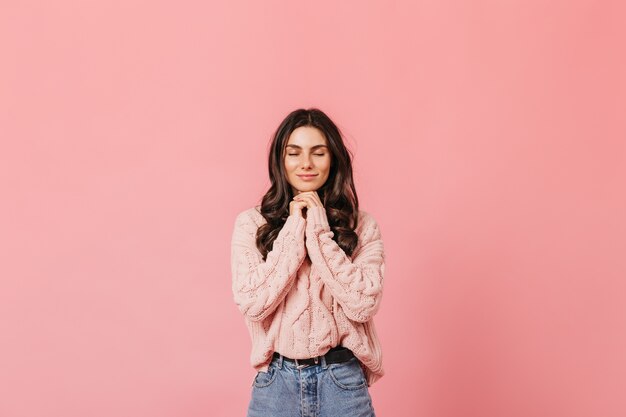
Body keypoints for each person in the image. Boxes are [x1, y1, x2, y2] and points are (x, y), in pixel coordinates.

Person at [230, 108, 385, 417]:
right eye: (294, 153)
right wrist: (294, 227)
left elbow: (364, 303)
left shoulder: (361, 226)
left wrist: (318, 228)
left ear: (334, 159)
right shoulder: (251, 224)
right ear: (280, 159)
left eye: (318, 153)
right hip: (276, 384)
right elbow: (252, 302)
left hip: (342, 382)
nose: (306, 164)